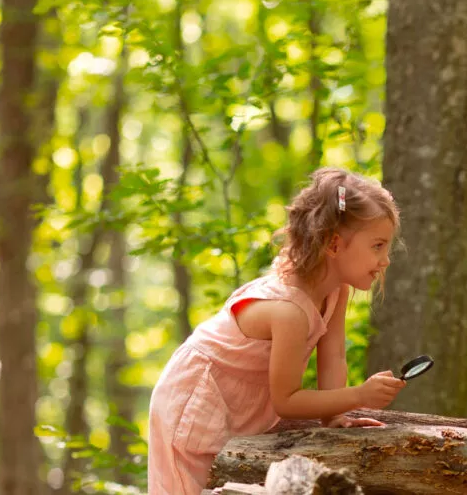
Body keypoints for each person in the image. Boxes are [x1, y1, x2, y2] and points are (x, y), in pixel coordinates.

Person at [148, 167, 407, 494]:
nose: (385, 260)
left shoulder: (334, 290)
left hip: (234, 402)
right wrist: (360, 395)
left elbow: (333, 356)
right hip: (195, 397)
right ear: (334, 244)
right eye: (377, 246)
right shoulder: (289, 311)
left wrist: (335, 415)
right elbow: (287, 400)